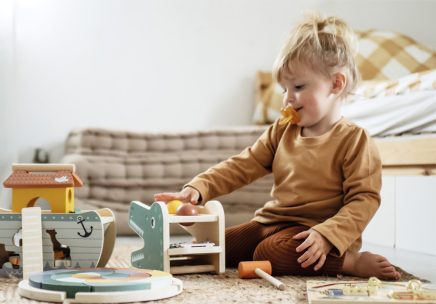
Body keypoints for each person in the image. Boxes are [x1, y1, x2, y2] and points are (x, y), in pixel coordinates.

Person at [154, 14, 400, 280]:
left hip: (314, 232)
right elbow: (243, 164)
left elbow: (364, 200)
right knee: (216, 247)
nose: (287, 98)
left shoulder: (354, 140)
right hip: (271, 222)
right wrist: (199, 188)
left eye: (298, 86)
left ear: (336, 83)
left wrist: (329, 234)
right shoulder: (283, 130)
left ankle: (349, 262)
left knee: (269, 253)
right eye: (284, 89)